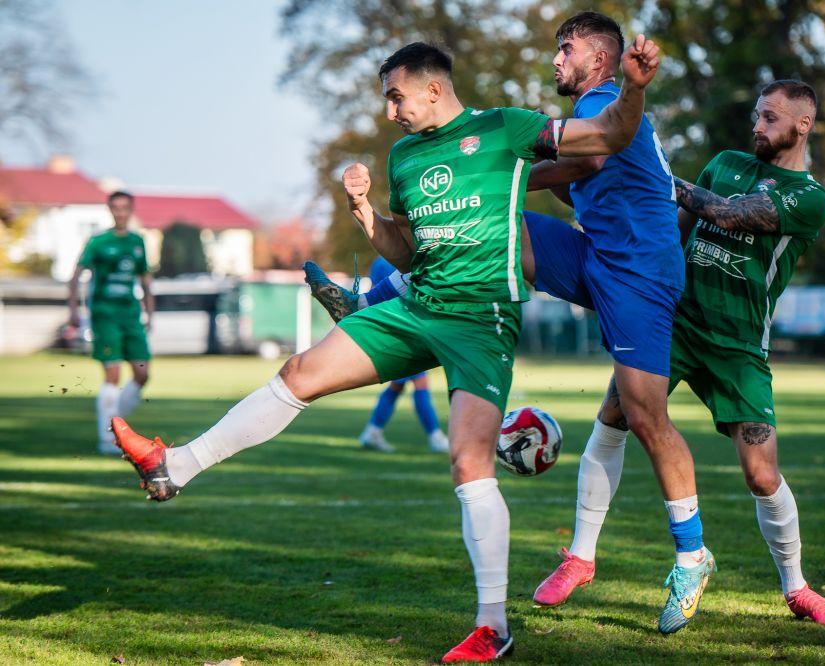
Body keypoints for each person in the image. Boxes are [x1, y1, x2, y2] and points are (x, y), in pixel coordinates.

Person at [111, 38, 662, 663]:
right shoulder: (402, 158)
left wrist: (636, 87)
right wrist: (364, 211)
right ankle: (173, 466)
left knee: (468, 465)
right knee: (300, 372)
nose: (391, 111)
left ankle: (493, 626)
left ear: (433, 88)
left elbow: (610, 135)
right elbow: (407, 254)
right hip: (417, 307)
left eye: (396, 97)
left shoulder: (504, 129)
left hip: (481, 321)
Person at [305, 12, 712, 635]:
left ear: (599, 59)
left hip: (638, 271)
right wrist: (498, 182)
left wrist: (498, 175)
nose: (556, 60)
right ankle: (373, 298)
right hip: (595, 252)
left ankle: (692, 553)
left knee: (643, 414)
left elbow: (588, 165)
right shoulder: (596, 101)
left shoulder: (606, 97)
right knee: (499, 234)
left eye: (566, 49)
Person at [556, 79, 825, 625]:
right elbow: (676, 231)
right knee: (614, 418)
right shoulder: (725, 163)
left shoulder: (809, 197)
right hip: (677, 325)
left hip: (740, 348)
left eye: (769, 118)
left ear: (802, 125)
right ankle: (580, 555)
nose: (757, 126)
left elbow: (728, 214)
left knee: (762, 476)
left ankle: (798, 588)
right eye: (756, 116)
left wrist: (657, 178)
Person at [67, 190, 153, 454]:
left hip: (131, 316)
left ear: (131, 209)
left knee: (142, 373)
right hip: (105, 315)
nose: (120, 212)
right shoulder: (98, 242)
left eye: (125, 207)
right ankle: (109, 439)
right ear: (110, 210)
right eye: (115, 207)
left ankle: (115, 420)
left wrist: (150, 312)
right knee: (113, 374)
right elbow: (76, 276)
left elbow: (145, 281)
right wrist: (73, 308)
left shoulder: (138, 242)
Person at [356, 257, 449, 453]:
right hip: (405, 328)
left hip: (390, 328)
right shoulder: (410, 255)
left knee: (398, 385)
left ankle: (373, 431)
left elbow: (374, 296)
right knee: (419, 382)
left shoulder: (379, 262)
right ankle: (435, 436)